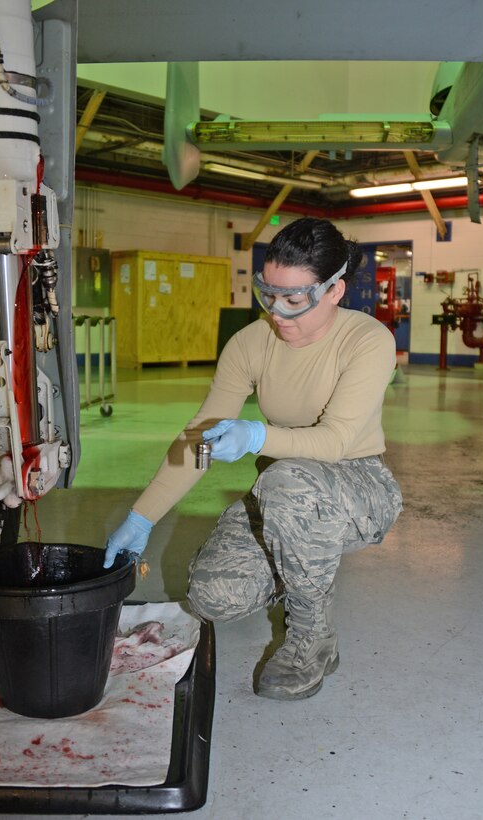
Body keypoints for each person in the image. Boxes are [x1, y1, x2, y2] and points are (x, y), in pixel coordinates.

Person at [104, 217, 402, 701]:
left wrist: (256, 434)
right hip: (283, 491)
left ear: (334, 291)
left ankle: (312, 635)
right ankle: (299, 554)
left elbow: (336, 441)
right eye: (268, 293)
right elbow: (198, 438)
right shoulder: (249, 344)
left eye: (295, 299)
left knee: (286, 484)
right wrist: (142, 518)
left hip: (359, 484)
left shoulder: (368, 341)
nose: (278, 312)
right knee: (211, 595)